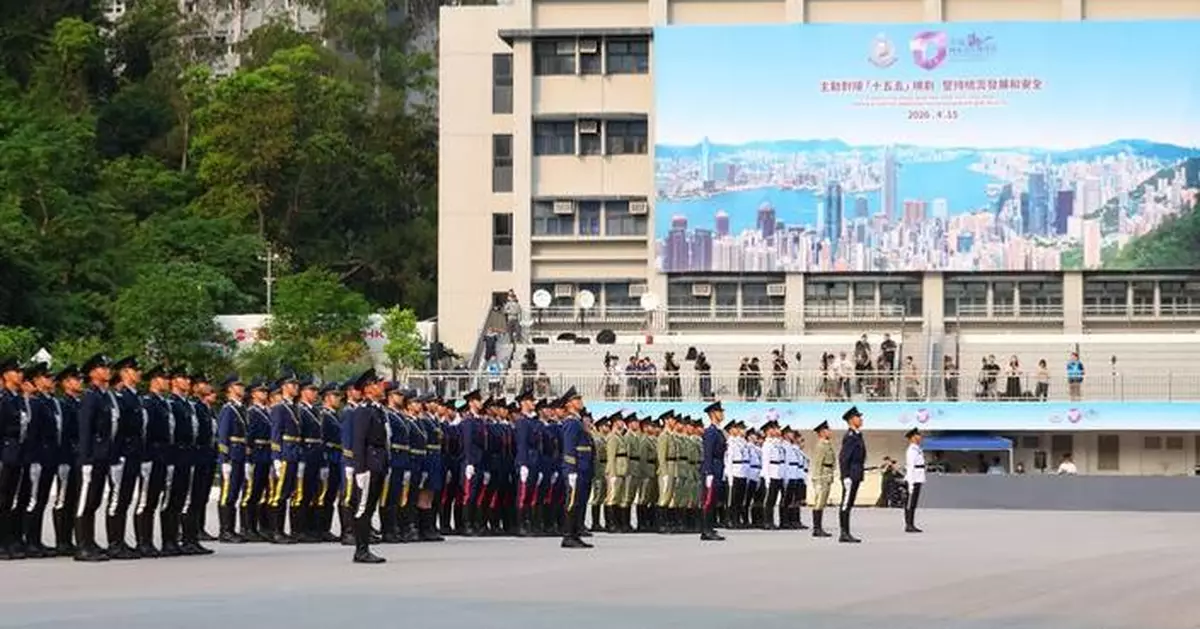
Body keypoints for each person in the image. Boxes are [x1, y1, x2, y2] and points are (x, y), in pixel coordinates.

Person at [75, 354, 118, 562]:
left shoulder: (103, 396)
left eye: (107, 366)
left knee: (95, 500)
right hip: (91, 457)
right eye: (102, 367)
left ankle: (90, 541)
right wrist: (85, 460)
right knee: (85, 501)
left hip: (102, 456)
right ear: (92, 373)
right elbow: (85, 430)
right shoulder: (90, 396)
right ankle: (82, 544)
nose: (107, 370)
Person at [349, 369, 389, 564]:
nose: (382, 386)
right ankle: (361, 550)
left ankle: (365, 547)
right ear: (368, 389)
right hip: (368, 464)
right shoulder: (363, 411)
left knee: (370, 507)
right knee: (363, 508)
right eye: (377, 383)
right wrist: (359, 469)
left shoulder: (377, 410)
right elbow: (358, 441)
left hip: (378, 463)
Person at [107, 356, 144, 560]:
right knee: (117, 499)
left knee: (126, 499)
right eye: (134, 370)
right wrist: (115, 457)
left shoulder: (135, 396)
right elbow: (117, 430)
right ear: (124, 373)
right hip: (121, 454)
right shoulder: (120, 397)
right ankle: (114, 542)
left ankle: (120, 540)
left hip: (133, 454)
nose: (138, 373)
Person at [51, 364, 84, 556]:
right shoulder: (63, 404)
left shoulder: (80, 403)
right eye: (75, 379)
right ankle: (61, 540)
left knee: (74, 497)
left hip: (77, 456)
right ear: (65, 383)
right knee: (63, 498)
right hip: (65, 455)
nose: (79, 382)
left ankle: (68, 538)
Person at [559, 387, 594, 549]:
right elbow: (569, 448)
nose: (580, 401)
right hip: (575, 468)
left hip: (583, 467)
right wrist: (571, 469)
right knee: (572, 502)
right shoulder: (571, 423)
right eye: (576, 399)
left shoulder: (578, 422)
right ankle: (568, 536)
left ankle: (575, 534)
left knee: (579, 502)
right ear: (569, 404)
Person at [216, 374, 248, 543]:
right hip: (232, 456)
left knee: (235, 493)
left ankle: (232, 529)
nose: (242, 388)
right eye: (238, 385)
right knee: (227, 494)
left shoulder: (241, 408)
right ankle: (225, 530)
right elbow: (223, 436)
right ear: (230, 389)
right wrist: (224, 459)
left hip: (240, 454)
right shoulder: (228, 409)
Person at [838, 406, 866, 544]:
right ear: (851, 420)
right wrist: (845, 476)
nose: (861, 419)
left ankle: (846, 532)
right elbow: (844, 458)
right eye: (858, 417)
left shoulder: (857, 435)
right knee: (846, 503)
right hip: (850, 475)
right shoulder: (850, 437)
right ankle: (844, 533)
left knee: (849, 503)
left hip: (856, 473)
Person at [699, 401, 726, 542]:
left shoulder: (718, 431)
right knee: (708, 501)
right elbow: (708, 453)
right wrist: (708, 472)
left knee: (714, 500)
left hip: (718, 468)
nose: (722, 414)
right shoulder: (710, 432)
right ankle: (706, 530)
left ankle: (710, 527)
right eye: (719, 412)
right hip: (712, 468)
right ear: (712, 414)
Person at [809, 420, 835, 538]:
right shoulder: (820, 445)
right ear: (822, 432)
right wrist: (817, 480)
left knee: (822, 502)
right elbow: (817, 463)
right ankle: (817, 528)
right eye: (827, 430)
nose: (829, 432)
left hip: (827, 474)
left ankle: (819, 527)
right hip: (822, 476)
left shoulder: (827, 443)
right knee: (819, 502)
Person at [903, 428, 925, 533]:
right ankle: (908, 524)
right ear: (912, 437)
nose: (920, 437)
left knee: (913, 503)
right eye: (918, 435)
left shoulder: (917, 449)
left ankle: (911, 523)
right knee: (910, 503)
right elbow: (910, 467)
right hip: (913, 478)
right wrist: (910, 484)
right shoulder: (911, 450)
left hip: (918, 477)